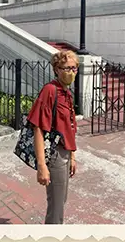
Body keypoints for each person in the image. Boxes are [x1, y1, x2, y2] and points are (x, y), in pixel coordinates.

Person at [26, 50, 79, 224]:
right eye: (66, 68)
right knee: (56, 207)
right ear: (56, 69)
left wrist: (72, 156)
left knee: (61, 201)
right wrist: (41, 166)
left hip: (65, 153)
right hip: (55, 156)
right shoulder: (50, 91)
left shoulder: (67, 93)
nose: (71, 72)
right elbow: (39, 129)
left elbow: (69, 129)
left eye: (74, 68)